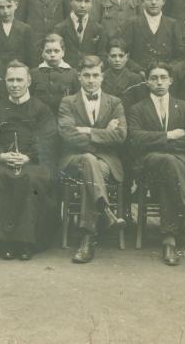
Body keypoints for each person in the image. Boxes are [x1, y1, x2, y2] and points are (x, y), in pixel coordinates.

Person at [127, 61, 185, 266]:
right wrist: (170, 135)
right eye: (154, 78)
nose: (159, 82)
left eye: (163, 77)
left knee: (168, 166)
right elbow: (135, 139)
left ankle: (169, 240)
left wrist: (160, 144)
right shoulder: (137, 109)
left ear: (171, 81)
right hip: (148, 166)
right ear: (147, 82)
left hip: (180, 163)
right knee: (167, 163)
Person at [0, 60, 58, 260]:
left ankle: (27, 242)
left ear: (29, 81)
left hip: (33, 162)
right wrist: (0, 155)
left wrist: (28, 156)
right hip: (3, 161)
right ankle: (3, 242)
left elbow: (48, 139)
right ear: (5, 82)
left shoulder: (42, 109)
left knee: (31, 180)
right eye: (10, 80)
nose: (14, 84)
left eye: (19, 80)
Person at [58, 55, 126, 264]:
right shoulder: (68, 102)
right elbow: (67, 134)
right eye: (86, 75)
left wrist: (87, 130)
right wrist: (103, 134)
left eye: (95, 75)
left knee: (90, 162)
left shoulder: (114, 102)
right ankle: (104, 211)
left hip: (106, 162)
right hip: (73, 160)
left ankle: (88, 237)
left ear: (102, 77)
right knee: (88, 160)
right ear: (79, 77)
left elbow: (121, 135)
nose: (91, 80)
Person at [121, 0, 184, 72]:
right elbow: (123, 54)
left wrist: (167, 70)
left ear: (163, 1)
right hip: (138, 77)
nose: (153, 2)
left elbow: (180, 56)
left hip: (165, 77)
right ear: (142, 1)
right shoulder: (132, 23)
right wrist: (138, 70)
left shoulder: (172, 24)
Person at [54, 0, 107, 69]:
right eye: (78, 1)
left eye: (87, 1)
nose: (82, 5)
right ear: (71, 1)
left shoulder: (98, 29)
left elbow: (102, 55)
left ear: (92, 3)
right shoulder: (60, 28)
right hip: (67, 72)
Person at [29, 33, 79, 115]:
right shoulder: (33, 74)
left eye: (56, 51)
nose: (52, 55)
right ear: (42, 53)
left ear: (63, 52)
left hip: (65, 118)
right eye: (48, 51)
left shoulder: (73, 74)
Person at [101, 38, 146, 110]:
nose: (117, 60)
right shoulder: (101, 78)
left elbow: (141, 107)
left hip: (129, 118)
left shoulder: (135, 79)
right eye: (113, 56)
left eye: (121, 56)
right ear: (107, 57)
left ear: (127, 57)